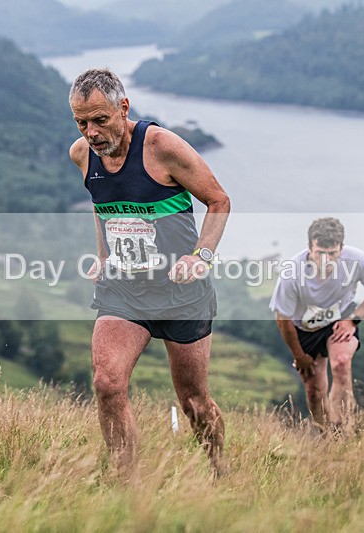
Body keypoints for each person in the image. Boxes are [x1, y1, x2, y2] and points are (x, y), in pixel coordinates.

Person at [68, 68, 230, 478]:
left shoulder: (161, 146)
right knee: (107, 382)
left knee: (193, 401)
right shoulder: (82, 155)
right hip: (124, 291)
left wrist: (201, 256)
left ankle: (220, 468)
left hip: (181, 293)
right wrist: (103, 256)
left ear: (124, 108)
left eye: (100, 120)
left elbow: (219, 201)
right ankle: (129, 488)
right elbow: (101, 204)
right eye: (81, 122)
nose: (91, 132)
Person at [269, 217, 364, 428]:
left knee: (342, 363)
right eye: (320, 254)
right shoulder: (292, 273)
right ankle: (326, 434)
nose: (326, 260)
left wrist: (353, 320)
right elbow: (283, 319)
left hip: (340, 320)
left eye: (332, 254)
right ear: (309, 248)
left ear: (341, 249)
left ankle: (342, 428)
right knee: (314, 391)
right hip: (304, 328)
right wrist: (299, 356)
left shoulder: (357, 260)